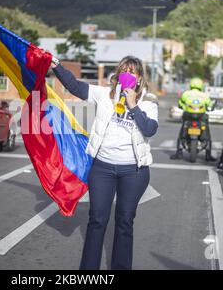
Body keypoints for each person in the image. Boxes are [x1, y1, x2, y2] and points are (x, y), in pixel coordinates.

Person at [51, 56, 158, 270]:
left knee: (125, 222)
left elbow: (149, 129)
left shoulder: (148, 102)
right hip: (102, 168)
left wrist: (133, 105)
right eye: (123, 70)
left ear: (138, 79)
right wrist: (56, 66)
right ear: (118, 75)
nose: (127, 74)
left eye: (132, 72)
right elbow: (75, 86)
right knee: (97, 220)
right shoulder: (103, 95)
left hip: (134, 172)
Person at [170, 77, 216, 161]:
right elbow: (210, 105)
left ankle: (178, 153)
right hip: (201, 116)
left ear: (191, 85)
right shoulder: (204, 95)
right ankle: (208, 155)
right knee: (207, 132)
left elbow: (180, 103)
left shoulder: (186, 93)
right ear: (201, 85)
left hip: (188, 116)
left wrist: (182, 106)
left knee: (183, 129)